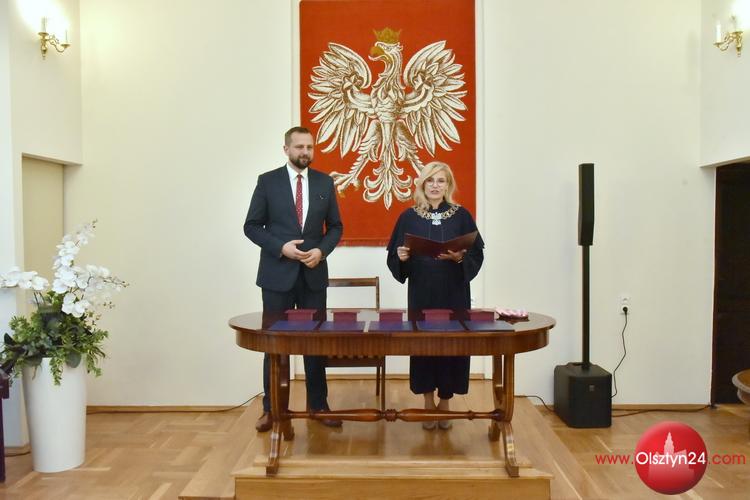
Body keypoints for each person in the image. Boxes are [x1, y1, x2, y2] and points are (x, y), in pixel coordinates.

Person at [244, 126, 344, 432]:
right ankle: (272, 409)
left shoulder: (324, 182)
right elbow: (251, 226)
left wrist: (321, 251)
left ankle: (319, 405)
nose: (305, 152)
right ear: (286, 149)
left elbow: (336, 227)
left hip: (313, 275)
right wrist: (281, 247)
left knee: (315, 343)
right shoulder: (267, 181)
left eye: (309, 147)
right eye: (299, 147)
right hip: (277, 276)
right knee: (275, 344)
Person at [386, 161, 484, 430]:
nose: (435, 185)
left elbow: (477, 254)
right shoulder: (408, 217)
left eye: (441, 180)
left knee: (452, 346)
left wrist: (460, 257)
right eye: (430, 180)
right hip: (422, 293)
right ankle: (427, 401)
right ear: (422, 183)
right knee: (424, 345)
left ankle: (446, 401)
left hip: (454, 292)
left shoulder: (462, 215)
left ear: (448, 185)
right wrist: (401, 257)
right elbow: (395, 257)